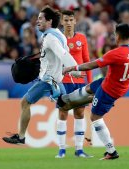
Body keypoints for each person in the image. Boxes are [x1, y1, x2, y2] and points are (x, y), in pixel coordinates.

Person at [58, 23, 129, 160]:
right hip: (109, 82)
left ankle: (111, 151)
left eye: (115, 34)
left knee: (95, 117)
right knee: (88, 88)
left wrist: (71, 68)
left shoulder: (115, 53)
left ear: (118, 36)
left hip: (109, 90)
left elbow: (92, 65)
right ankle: (66, 99)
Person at [2, 6, 81, 145]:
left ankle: (21, 137)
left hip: (48, 81)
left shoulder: (50, 38)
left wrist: (75, 69)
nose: (37, 21)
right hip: (56, 80)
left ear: (49, 21)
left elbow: (63, 54)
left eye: (40, 18)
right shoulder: (59, 34)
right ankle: (88, 96)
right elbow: (63, 52)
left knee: (25, 102)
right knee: (66, 104)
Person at [55, 10, 93, 158]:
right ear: (62, 22)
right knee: (63, 113)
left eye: (71, 20)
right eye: (66, 20)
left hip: (79, 82)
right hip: (63, 81)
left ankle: (79, 150)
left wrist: (89, 83)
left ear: (75, 21)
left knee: (80, 113)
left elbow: (87, 60)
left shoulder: (82, 38)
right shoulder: (57, 38)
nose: (69, 23)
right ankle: (62, 149)